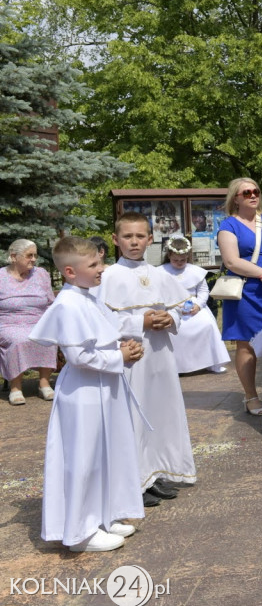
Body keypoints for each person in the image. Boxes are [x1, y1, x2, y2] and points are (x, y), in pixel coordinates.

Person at [29, 236, 145, 552]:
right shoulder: (67, 304)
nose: (101, 269)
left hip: (103, 386)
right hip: (83, 391)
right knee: (84, 457)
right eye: (93, 264)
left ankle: (104, 515)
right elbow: (79, 357)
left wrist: (122, 346)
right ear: (69, 271)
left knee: (105, 452)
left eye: (100, 262)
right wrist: (119, 357)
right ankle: (81, 532)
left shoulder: (87, 297)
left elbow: (98, 339)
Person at [102, 212, 196, 508]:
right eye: (127, 237)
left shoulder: (159, 275)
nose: (134, 242)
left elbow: (182, 308)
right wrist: (137, 322)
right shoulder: (108, 277)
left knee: (161, 412)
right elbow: (102, 321)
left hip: (160, 355)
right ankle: (134, 479)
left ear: (150, 239)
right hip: (132, 356)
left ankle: (156, 471)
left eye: (140, 236)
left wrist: (171, 317)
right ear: (116, 240)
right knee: (134, 414)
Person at [219, 178, 262, 414]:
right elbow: (231, 261)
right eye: (246, 192)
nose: (252, 195)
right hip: (246, 290)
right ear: (236, 198)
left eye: (256, 191)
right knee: (245, 343)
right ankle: (251, 397)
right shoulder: (229, 225)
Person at [160, 235, 230, 375]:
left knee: (207, 325)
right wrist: (170, 306)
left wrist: (198, 305)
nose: (179, 263)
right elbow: (159, 293)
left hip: (194, 307)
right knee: (174, 331)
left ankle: (213, 362)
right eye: (175, 260)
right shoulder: (161, 272)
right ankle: (177, 366)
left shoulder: (194, 271)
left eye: (183, 260)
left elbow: (203, 291)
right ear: (169, 256)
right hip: (172, 307)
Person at [1, 239, 56, 405]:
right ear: (13, 257)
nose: (33, 259)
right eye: (29, 255)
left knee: (48, 336)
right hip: (8, 322)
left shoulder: (41, 274)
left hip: (38, 320)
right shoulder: (1, 276)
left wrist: (51, 321)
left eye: (35, 255)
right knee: (18, 339)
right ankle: (16, 387)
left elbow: (50, 302)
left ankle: (44, 383)